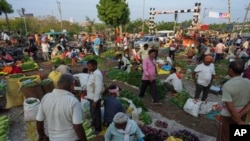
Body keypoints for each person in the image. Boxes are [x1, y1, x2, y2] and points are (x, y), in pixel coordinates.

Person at [36, 73, 87, 141]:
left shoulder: (46, 97)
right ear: (72, 85)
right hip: (71, 138)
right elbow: (77, 126)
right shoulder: (73, 101)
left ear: (57, 83)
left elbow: (39, 121)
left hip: (53, 138)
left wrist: (42, 135)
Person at [216, 61, 250, 141]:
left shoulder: (228, 85)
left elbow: (230, 106)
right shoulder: (248, 82)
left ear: (230, 70)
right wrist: (240, 116)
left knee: (224, 137)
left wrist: (237, 119)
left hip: (228, 116)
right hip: (243, 115)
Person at [85, 59, 104, 134]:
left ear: (95, 66)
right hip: (91, 97)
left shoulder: (97, 74)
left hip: (94, 98)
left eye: (90, 66)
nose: (88, 68)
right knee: (93, 113)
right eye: (88, 66)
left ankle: (98, 128)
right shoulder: (93, 73)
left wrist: (95, 100)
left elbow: (98, 87)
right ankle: (95, 125)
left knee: (96, 114)